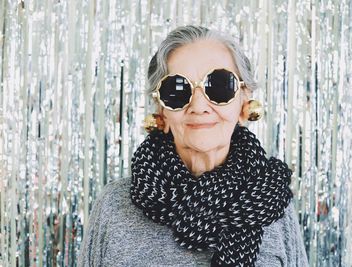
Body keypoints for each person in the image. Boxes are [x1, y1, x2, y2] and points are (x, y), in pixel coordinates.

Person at [78, 25, 308, 267]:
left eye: (219, 86)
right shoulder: (114, 206)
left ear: (244, 102)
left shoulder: (270, 201)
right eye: (177, 89)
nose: (199, 106)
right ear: (161, 111)